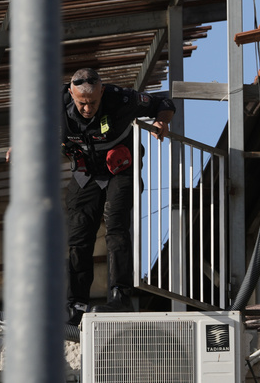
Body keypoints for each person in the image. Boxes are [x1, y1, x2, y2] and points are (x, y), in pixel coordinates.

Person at [62, 68, 175, 325]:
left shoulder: (121, 98)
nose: (87, 109)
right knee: (79, 237)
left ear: (102, 92)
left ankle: (120, 296)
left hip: (120, 170)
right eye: (82, 103)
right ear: (71, 93)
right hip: (86, 173)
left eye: (93, 102)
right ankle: (76, 304)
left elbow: (164, 102)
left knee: (116, 227)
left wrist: (162, 120)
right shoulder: (56, 104)